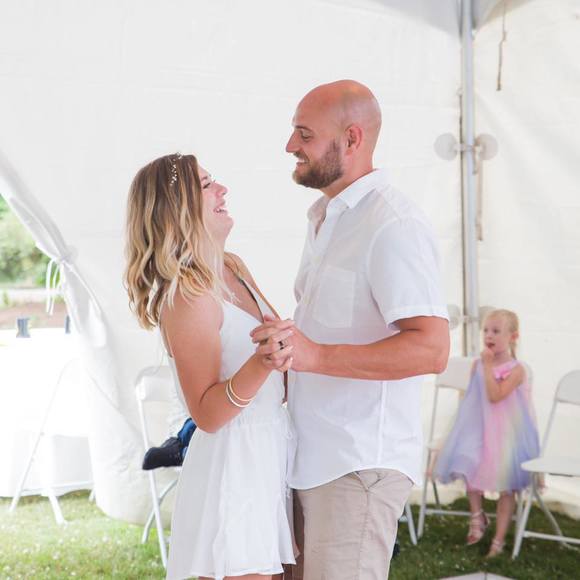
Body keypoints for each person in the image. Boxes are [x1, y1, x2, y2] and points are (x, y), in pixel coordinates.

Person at [251, 80, 450, 579]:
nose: (290, 146)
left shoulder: (393, 223)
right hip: (309, 455)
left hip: (357, 465)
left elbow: (431, 348)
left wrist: (314, 355)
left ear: (352, 138)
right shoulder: (326, 216)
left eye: (305, 134)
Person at [124, 153, 297, 580]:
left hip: (269, 449)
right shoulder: (188, 296)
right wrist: (263, 362)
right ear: (178, 208)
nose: (222, 190)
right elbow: (206, 413)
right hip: (233, 465)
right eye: (206, 185)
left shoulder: (233, 266)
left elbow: (279, 359)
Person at [435, 309, 540, 557]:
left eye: (496, 331)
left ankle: (499, 540)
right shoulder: (477, 365)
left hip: (508, 436)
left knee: (507, 487)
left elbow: (495, 396)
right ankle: (477, 517)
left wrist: (489, 365)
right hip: (481, 429)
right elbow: (472, 398)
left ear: (513, 337)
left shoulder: (517, 370)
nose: (489, 336)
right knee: (467, 463)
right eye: (486, 330)